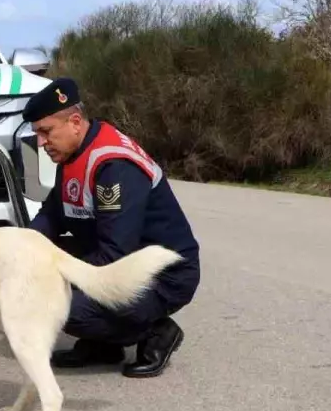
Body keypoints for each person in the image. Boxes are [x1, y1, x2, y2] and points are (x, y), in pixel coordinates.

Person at [23, 76, 200, 377]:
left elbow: (115, 256)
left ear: (75, 122)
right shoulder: (73, 153)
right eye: (37, 133)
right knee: (33, 278)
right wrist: (20, 251)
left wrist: (49, 274)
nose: (40, 142)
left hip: (162, 276)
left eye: (45, 132)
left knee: (50, 303)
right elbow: (51, 216)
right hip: (114, 255)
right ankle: (103, 343)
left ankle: (155, 331)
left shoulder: (114, 165)